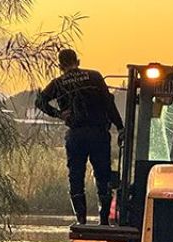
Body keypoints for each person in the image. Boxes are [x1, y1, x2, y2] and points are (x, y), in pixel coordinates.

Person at [36, 49, 124, 225]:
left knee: (76, 176)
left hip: (76, 135)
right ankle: (104, 220)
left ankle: (81, 220)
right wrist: (120, 127)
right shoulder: (94, 77)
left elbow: (39, 101)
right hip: (98, 133)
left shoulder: (58, 83)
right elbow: (108, 103)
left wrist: (58, 114)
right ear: (78, 61)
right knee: (103, 176)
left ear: (60, 66)